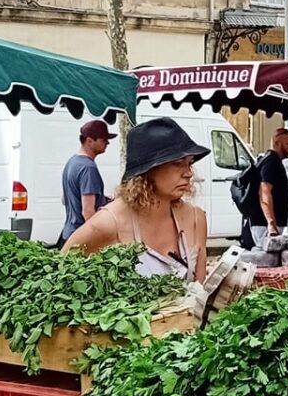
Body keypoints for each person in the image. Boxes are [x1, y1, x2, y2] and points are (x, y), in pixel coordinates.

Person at [63, 116, 208, 281]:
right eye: (177, 163)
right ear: (148, 169)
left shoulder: (196, 218)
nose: (188, 173)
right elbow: (59, 272)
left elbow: (199, 289)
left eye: (189, 163)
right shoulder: (109, 223)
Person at [240, 125, 288, 250]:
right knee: (267, 255)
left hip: (264, 223)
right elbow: (264, 192)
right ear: (277, 143)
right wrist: (271, 223)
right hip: (264, 224)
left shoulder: (269, 160)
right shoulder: (271, 163)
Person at [59, 120, 111, 245]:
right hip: (82, 238)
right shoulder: (88, 168)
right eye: (103, 140)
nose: (108, 143)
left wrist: (102, 199)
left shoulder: (72, 162)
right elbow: (88, 212)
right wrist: (98, 240)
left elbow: (64, 199)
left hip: (69, 234)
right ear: (89, 140)